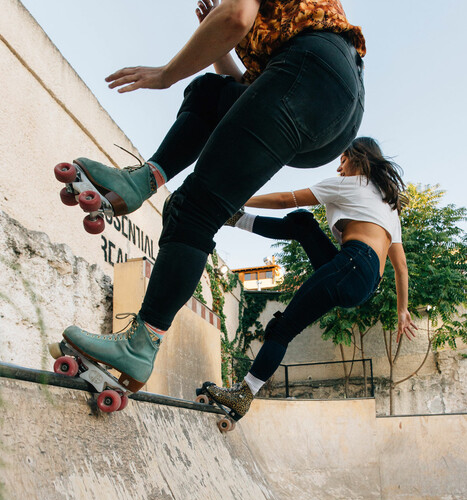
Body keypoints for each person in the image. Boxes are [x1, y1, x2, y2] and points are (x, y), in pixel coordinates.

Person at [62, 0, 366, 395]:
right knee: (208, 93)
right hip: (334, 109)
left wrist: (165, 74)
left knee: (194, 211)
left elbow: (236, 17)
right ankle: (144, 180)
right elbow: (251, 93)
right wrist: (221, 48)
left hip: (308, 75)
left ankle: (140, 345)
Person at [205, 136, 418, 418]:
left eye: (342, 161)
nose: (339, 170)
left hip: (351, 264)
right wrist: (402, 310)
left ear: (357, 157)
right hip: (365, 283)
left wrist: (236, 198)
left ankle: (244, 394)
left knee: (282, 329)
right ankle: (237, 219)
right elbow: (400, 267)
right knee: (303, 224)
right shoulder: (389, 205)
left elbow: (284, 199)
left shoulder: (350, 184)